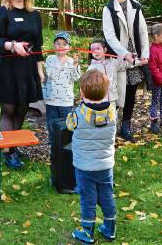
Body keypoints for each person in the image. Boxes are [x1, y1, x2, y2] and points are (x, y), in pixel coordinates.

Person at [0, 0, 44, 169]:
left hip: (27, 69)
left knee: (22, 108)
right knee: (8, 109)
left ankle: (13, 145)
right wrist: (12, 46)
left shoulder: (35, 15)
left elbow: (39, 45)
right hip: (6, 69)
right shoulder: (2, 12)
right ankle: (8, 152)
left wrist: (40, 69)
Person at [66, 70, 117, 243]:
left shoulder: (77, 115)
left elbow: (69, 126)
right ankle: (110, 229)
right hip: (105, 165)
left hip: (84, 167)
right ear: (105, 91)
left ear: (81, 92)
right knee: (107, 196)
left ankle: (88, 232)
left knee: (88, 199)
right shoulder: (112, 113)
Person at [102, 0, 150, 141]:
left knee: (131, 92)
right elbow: (109, 36)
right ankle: (110, 127)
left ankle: (126, 126)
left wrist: (144, 54)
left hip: (135, 57)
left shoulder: (136, 6)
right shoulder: (108, 9)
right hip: (118, 58)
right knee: (114, 92)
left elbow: (143, 31)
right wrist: (124, 54)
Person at [44, 32, 81, 145]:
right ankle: (53, 143)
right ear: (54, 46)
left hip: (66, 101)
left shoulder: (71, 61)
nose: (61, 46)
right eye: (58, 43)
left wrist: (75, 64)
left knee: (66, 124)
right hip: (51, 99)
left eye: (64, 44)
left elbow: (76, 77)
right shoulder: (50, 59)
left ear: (69, 48)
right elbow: (52, 74)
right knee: (52, 123)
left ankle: (65, 144)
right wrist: (63, 64)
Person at [87, 39, 142, 109]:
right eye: (93, 50)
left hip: (112, 98)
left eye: (98, 49)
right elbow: (87, 85)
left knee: (112, 118)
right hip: (99, 100)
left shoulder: (113, 62)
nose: (95, 52)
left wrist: (137, 60)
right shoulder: (91, 68)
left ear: (105, 50)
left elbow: (126, 63)